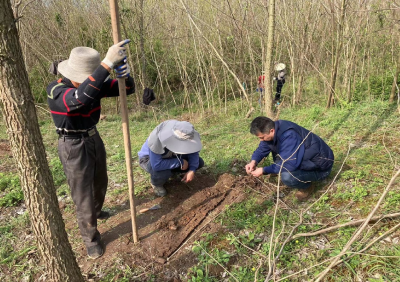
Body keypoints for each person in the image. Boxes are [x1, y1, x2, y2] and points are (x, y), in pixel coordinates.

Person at [46, 39, 135, 259]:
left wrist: (124, 75)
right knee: (82, 193)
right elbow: (79, 100)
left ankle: (96, 212)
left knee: (99, 181)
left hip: (93, 137)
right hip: (72, 144)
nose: (88, 82)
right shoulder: (56, 90)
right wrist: (106, 64)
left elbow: (127, 90)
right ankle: (90, 239)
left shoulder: (90, 85)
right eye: (86, 78)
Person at [245, 117, 334, 201]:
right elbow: (262, 148)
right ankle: (294, 173)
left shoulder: (289, 135)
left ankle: (307, 186)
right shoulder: (273, 129)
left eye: (262, 137)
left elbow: (289, 164)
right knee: (279, 161)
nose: (261, 140)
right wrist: (254, 161)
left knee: (287, 177)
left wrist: (264, 170)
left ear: (271, 131)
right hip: (306, 160)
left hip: (321, 168)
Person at [138, 120, 204, 197]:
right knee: (163, 171)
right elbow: (156, 165)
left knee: (199, 162)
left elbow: (193, 152)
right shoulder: (157, 139)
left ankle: (173, 172)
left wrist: (192, 169)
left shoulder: (187, 132)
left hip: (172, 156)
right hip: (149, 159)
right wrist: (180, 162)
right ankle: (156, 184)